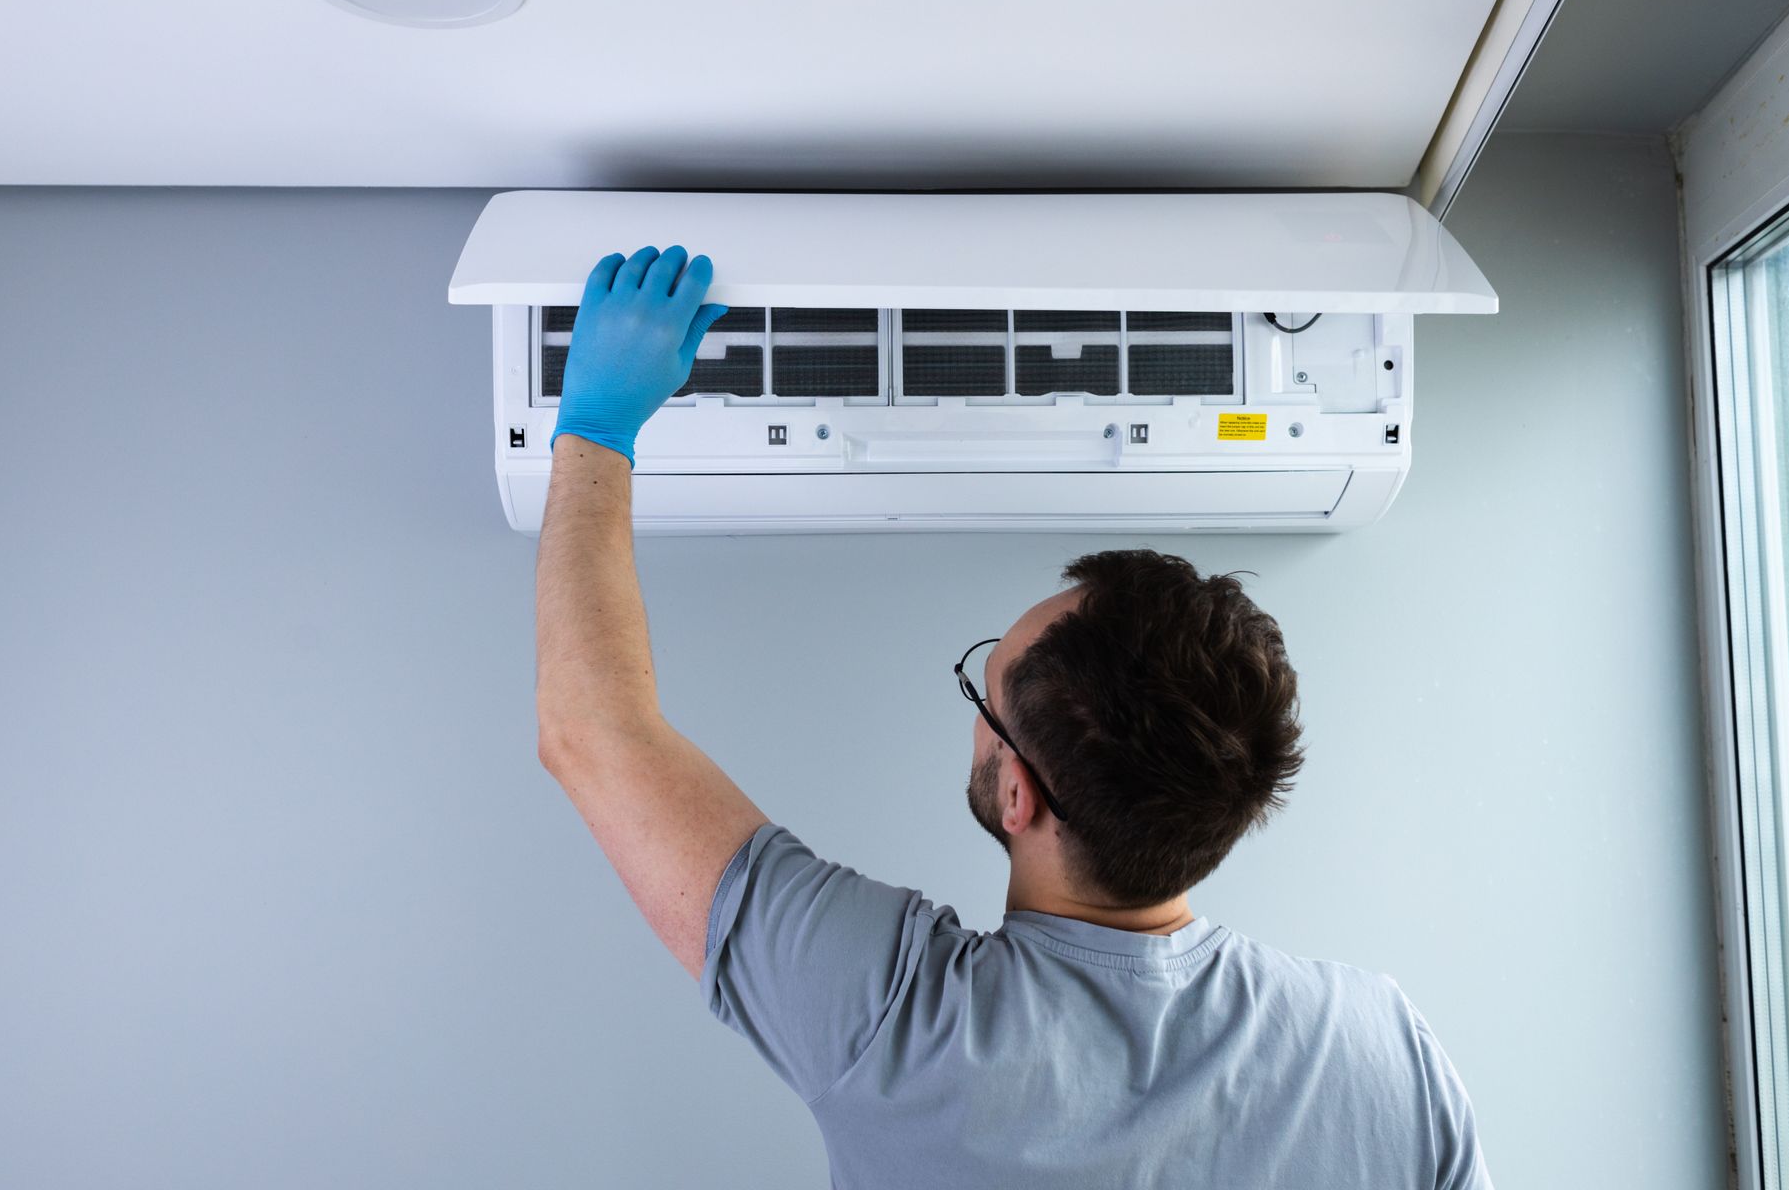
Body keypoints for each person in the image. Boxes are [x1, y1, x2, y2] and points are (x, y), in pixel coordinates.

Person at [533, 244, 1493, 1189]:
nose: (980, 719)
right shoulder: (1385, 1051)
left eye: (982, 696)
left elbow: (594, 733)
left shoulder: (897, 1022)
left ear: (1021, 796)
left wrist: (598, 426)